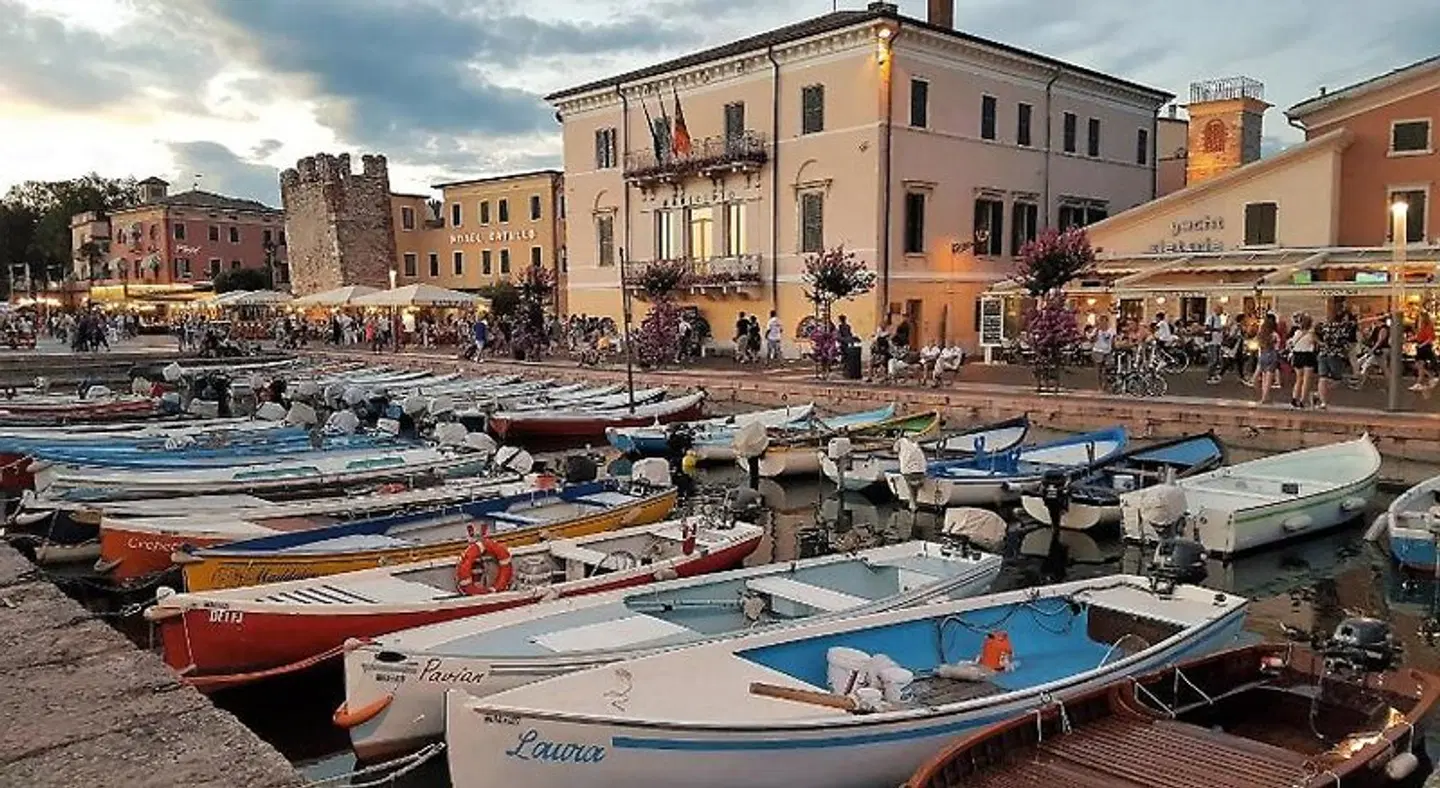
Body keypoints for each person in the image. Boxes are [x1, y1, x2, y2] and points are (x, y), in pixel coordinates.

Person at [1315, 314, 1349, 410]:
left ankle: (1322, 401)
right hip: (1335, 355)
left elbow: (1313, 332)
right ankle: (1319, 393)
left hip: (1323, 353)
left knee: (1323, 377)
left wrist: (1320, 343)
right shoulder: (1342, 328)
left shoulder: (1324, 326)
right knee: (1337, 379)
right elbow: (1344, 342)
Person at [1287, 313, 1317, 409]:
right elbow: (1316, 343)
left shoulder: (1297, 333)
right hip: (1308, 355)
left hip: (1297, 355)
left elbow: (1291, 343)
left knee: (1298, 378)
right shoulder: (1311, 333)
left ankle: (1294, 398)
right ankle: (1303, 400)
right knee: (1306, 379)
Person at [1253, 313, 1281, 406]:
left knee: (1259, 377)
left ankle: (1263, 396)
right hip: (1272, 355)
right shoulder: (1275, 335)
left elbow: (1258, 346)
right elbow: (1277, 347)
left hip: (1263, 355)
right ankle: (1265, 397)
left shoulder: (1261, 334)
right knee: (1268, 378)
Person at [1412, 311, 1436, 391]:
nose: (1419, 319)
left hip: (1424, 347)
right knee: (1419, 366)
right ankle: (1424, 380)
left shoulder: (1427, 326)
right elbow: (1419, 336)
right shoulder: (1421, 326)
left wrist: (1421, 345)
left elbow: (1430, 339)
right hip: (1421, 346)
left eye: (1420, 317)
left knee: (1419, 365)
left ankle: (1427, 379)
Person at [1091, 314, 1115, 391]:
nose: (1103, 324)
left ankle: (1105, 384)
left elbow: (1113, 341)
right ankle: (1099, 386)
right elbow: (1092, 340)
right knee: (1099, 370)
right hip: (1098, 350)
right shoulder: (1096, 330)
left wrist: (1113, 349)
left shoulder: (1111, 330)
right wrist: (1097, 331)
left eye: (1105, 322)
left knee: (1107, 369)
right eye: (1101, 322)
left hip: (1107, 351)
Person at [1204, 304, 1226, 383]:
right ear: (1216, 310)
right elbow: (1207, 327)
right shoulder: (1211, 317)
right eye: (1221, 310)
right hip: (1212, 341)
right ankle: (1209, 376)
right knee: (1214, 359)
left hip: (1218, 341)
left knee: (1217, 360)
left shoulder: (1219, 318)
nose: (1222, 311)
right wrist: (1218, 329)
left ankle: (1212, 374)